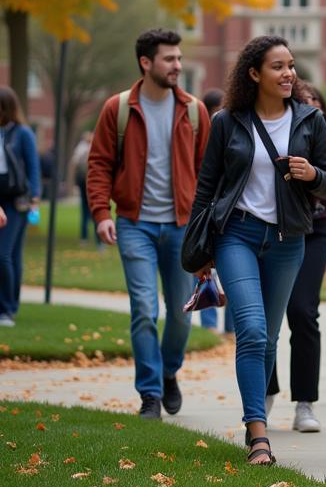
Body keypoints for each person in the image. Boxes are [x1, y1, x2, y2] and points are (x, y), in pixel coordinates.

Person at [187, 35, 326, 465]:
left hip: (289, 240)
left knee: (268, 337)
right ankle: (258, 434)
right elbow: (207, 188)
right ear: (254, 74)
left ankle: (258, 420)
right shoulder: (227, 122)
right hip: (238, 234)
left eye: (291, 65)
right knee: (251, 330)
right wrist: (200, 250)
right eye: (278, 66)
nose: (289, 73)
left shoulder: (310, 120)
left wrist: (312, 175)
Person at [86, 29, 210, 417]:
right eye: (169, 59)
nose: (177, 65)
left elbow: (208, 172)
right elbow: (99, 165)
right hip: (134, 224)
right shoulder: (118, 109)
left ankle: (169, 371)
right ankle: (150, 394)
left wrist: (207, 226)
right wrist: (102, 214)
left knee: (179, 313)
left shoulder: (193, 110)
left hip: (181, 227)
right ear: (146, 63)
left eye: (178, 58)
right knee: (143, 308)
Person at [267, 84, 326, 431]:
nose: (311, 113)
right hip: (273, 230)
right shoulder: (275, 136)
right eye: (304, 106)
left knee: (303, 312)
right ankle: (265, 391)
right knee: (265, 318)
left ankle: (305, 403)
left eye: (316, 106)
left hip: (314, 230)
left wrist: (314, 183)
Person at [0, 87, 41, 327]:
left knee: (5, 254)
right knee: (9, 255)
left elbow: (33, 166)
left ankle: (7, 308)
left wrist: (35, 196)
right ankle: (7, 305)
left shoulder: (22, 133)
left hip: (17, 201)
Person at [199, 90, 226, 331]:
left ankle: (231, 326)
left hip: (226, 213)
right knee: (206, 269)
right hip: (206, 213)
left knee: (230, 273)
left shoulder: (230, 129)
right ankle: (209, 324)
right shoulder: (202, 136)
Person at [69, 131, 95, 246]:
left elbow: (73, 164)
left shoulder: (80, 148)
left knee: (86, 210)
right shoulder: (90, 147)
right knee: (92, 209)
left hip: (83, 182)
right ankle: (98, 240)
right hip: (90, 182)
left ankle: (85, 238)